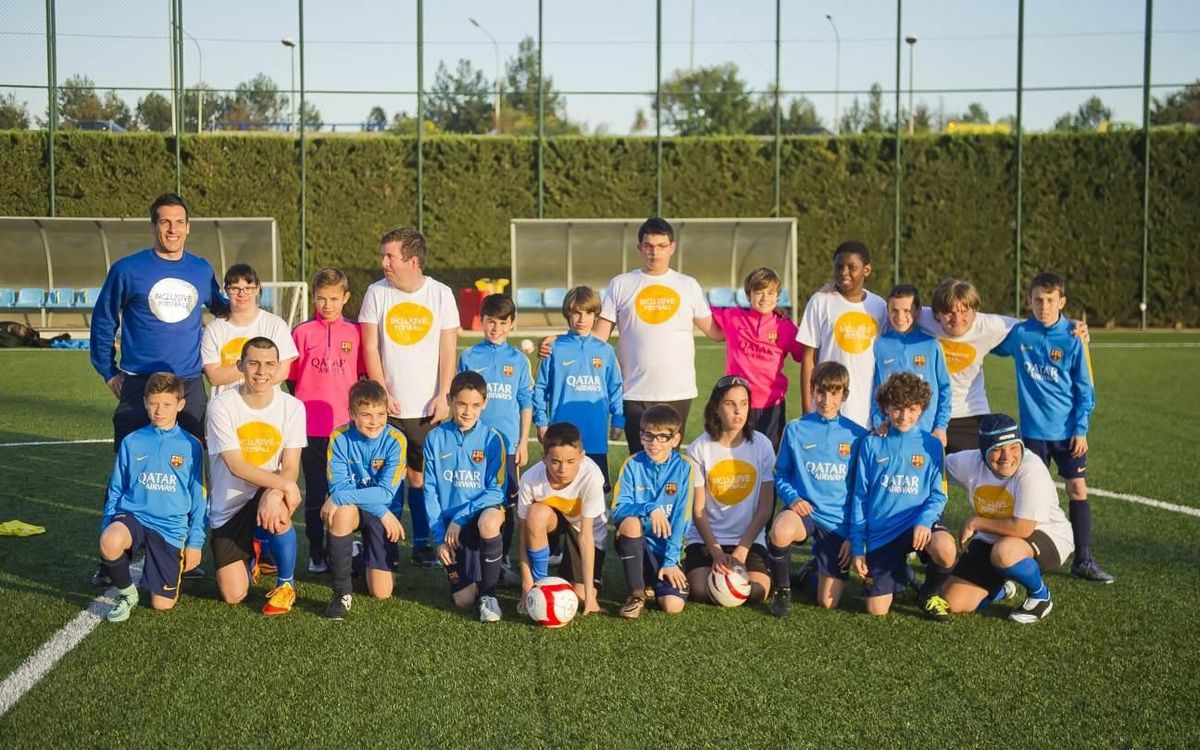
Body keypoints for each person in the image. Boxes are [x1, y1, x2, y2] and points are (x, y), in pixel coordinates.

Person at [89, 192, 225, 585]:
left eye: (179, 222)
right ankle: (110, 555)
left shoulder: (201, 270)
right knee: (128, 469)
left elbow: (222, 308)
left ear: (188, 227)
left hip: (188, 384)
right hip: (139, 384)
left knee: (191, 471)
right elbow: (103, 319)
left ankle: (188, 552)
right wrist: (107, 370)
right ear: (153, 226)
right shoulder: (128, 269)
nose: (172, 229)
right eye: (164, 222)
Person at [993, 272, 1112, 583]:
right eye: (1037, 301)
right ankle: (1014, 554)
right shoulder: (1021, 334)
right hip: (1032, 434)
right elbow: (989, 343)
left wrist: (1081, 429)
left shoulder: (1073, 338)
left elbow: (1086, 390)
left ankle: (1083, 559)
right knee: (1025, 493)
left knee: (1077, 489)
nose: (1043, 307)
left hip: (1067, 433)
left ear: (1062, 302)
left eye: (1049, 301)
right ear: (1029, 302)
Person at [359, 228, 460, 567]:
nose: (383, 262)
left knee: (419, 475)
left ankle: (421, 543)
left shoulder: (442, 294)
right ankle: (385, 545)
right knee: (386, 474)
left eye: (390, 256)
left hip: (427, 407)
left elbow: (449, 349)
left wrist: (444, 395)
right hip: (388, 407)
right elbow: (370, 345)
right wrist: (382, 392)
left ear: (413, 261)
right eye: (383, 255)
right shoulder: (376, 293)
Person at [915, 277, 1088, 454]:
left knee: (986, 475)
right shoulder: (922, 318)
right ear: (936, 314)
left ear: (975, 311)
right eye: (949, 312)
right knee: (928, 475)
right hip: (930, 414)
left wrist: (1070, 326)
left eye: (965, 311)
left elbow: (1036, 327)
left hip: (971, 414)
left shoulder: (991, 325)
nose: (957, 318)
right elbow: (895, 311)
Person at [595, 218, 720, 453]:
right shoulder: (621, 284)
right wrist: (562, 342)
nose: (655, 252)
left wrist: (763, 315)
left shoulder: (688, 285)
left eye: (661, 246)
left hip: (677, 390)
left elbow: (714, 332)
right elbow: (598, 337)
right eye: (649, 246)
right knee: (640, 458)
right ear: (640, 247)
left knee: (668, 462)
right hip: (634, 391)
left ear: (672, 247)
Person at [937, 414, 1075, 623]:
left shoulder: (1031, 468)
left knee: (1004, 553)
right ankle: (1000, 589)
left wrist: (976, 522)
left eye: (1013, 447)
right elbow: (936, 466)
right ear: (984, 451)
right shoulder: (971, 462)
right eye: (998, 449)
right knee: (952, 602)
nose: (1007, 456)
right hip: (993, 536)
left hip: (1047, 534)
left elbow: (1023, 528)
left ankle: (1040, 596)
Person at [206, 336, 307, 616]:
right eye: (254, 363)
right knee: (234, 594)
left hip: (266, 494)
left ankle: (286, 584)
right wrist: (284, 484)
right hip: (230, 505)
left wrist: (275, 492)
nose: (262, 372)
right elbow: (236, 466)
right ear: (240, 365)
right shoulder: (221, 406)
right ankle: (256, 548)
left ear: (278, 369)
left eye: (269, 364)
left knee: (277, 507)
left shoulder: (293, 407)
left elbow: (290, 466)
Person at [98, 373, 205, 622]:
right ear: (145, 402)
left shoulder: (191, 445)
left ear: (180, 405)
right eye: (154, 403)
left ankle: (161, 566)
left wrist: (195, 542)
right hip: (134, 516)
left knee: (162, 605)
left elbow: (199, 497)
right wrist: (106, 526)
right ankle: (127, 593)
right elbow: (116, 488)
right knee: (110, 541)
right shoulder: (132, 441)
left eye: (167, 404)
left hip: (169, 526)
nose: (159, 411)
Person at [767, 362, 867, 616]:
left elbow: (861, 493)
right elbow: (781, 475)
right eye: (820, 392)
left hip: (838, 522)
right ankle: (782, 591)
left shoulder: (858, 436)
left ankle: (809, 572)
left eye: (834, 393)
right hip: (806, 512)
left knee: (828, 602)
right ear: (812, 391)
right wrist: (793, 498)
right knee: (780, 531)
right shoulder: (796, 428)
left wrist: (853, 537)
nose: (826, 400)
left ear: (844, 395)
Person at [849, 372, 950, 620]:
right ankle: (902, 574)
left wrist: (925, 521)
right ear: (885, 408)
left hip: (917, 525)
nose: (904, 416)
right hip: (882, 532)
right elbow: (860, 497)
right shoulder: (872, 444)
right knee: (876, 610)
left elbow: (938, 495)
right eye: (897, 409)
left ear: (922, 409)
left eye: (912, 409)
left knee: (945, 548)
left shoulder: (932, 445)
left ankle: (929, 593)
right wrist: (857, 545)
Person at [289, 266, 364, 573]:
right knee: (316, 489)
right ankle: (317, 551)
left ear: (345, 297)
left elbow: (361, 375)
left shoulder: (356, 333)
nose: (327, 305)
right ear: (314, 298)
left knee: (344, 488)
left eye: (334, 298)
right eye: (321, 298)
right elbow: (292, 380)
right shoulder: (302, 332)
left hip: (345, 428)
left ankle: (344, 546)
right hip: (310, 428)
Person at [422, 371, 508, 622]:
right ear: (449, 400)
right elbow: (430, 491)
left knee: (490, 520)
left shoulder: (493, 439)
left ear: (485, 404)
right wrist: (439, 538)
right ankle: (492, 571)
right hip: (450, 530)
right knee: (463, 600)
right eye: (461, 404)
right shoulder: (435, 438)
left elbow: (496, 491)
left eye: (475, 405)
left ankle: (489, 596)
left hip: (478, 517)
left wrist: (462, 516)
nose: (468, 412)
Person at [458, 293, 534, 570]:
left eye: (503, 323)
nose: (496, 328)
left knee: (507, 502)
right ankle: (471, 551)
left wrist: (524, 442)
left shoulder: (519, 361)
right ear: (481, 321)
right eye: (491, 322)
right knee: (471, 495)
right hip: (474, 442)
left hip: (508, 446)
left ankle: (501, 558)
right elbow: (458, 399)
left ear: (512, 324)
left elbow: (526, 402)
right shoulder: (469, 355)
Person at [684, 376, 775, 605]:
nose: (738, 411)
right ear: (716, 407)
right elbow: (699, 511)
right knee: (700, 591)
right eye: (730, 403)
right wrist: (716, 553)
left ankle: (769, 568)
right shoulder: (699, 448)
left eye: (744, 403)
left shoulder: (762, 445)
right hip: (707, 540)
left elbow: (765, 508)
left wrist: (742, 550)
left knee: (756, 592)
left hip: (747, 539)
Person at [321, 380, 407, 620]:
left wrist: (381, 511)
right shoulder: (339, 437)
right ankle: (341, 592)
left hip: (384, 511)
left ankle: (356, 554)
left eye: (381, 414)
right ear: (352, 414)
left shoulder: (396, 439)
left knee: (381, 592)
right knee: (342, 512)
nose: (375, 421)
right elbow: (338, 485)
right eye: (366, 415)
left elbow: (385, 493)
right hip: (365, 510)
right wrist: (379, 509)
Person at [610, 404, 702, 618]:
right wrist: (650, 508)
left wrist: (671, 561)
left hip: (667, 549)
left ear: (675, 439)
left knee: (673, 606)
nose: (654, 443)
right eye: (648, 436)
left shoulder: (685, 467)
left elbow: (682, 518)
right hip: (638, 543)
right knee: (631, 521)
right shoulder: (632, 464)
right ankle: (636, 595)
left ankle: (656, 577)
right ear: (640, 436)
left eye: (662, 437)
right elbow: (617, 510)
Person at [533, 285, 623, 490]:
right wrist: (541, 422)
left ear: (596, 316)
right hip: (561, 433)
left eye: (589, 313)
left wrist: (618, 419)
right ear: (568, 314)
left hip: (595, 433)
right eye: (576, 313)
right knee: (561, 487)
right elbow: (540, 388)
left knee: (595, 489)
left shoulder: (605, 351)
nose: (582, 320)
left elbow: (615, 387)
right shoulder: (553, 348)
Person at [708, 267, 805, 450]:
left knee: (769, 457)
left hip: (771, 405)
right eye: (759, 292)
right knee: (735, 454)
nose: (764, 298)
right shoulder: (734, 317)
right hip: (737, 404)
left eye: (771, 293)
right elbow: (698, 307)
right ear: (748, 294)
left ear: (778, 296)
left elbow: (804, 354)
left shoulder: (785, 327)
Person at [517, 422, 606, 616]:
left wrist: (591, 597)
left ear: (582, 457)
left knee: (579, 596)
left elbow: (586, 536)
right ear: (544, 458)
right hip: (553, 521)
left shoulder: (591, 476)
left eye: (571, 462)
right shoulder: (531, 479)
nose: (563, 469)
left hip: (582, 530)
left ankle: (579, 578)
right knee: (535, 513)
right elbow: (522, 533)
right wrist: (527, 584)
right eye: (555, 461)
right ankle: (540, 582)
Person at [797, 241, 887, 430]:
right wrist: (807, 410)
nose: (844, 272)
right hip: (826, 408)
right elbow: (808, 359)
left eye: (852, 267)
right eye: (839, 267)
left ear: (867, 270)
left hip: (865, 412)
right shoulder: (820, 301)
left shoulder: (879, 307)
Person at [869, 284, 951, 444]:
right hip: (891, 433)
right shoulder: (880, 345)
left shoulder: (931, 345)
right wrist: (879, 423)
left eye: (907, 311)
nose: (900, 317)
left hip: (926, 434)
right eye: (894, 310)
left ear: (918, 311)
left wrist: (941, 427)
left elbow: (944, 389)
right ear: (887, 310)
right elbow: (877, 392)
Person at [201, 262, 298, 397]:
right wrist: (259, 367)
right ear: (227, 290)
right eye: (235, 288)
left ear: (257, 289)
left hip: (265, 407)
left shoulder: (275, 325)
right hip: (227, 408)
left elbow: (282, 372)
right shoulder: (214, 330)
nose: (242, 294)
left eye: (248, 288)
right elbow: (214, 377)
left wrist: (243, 375)